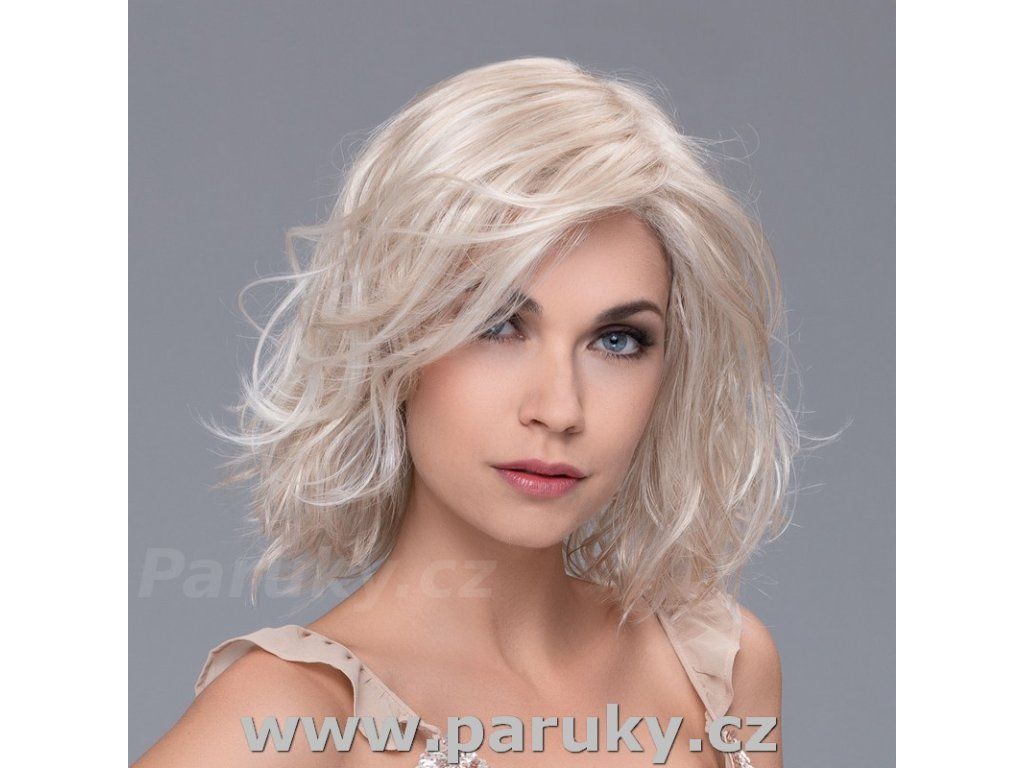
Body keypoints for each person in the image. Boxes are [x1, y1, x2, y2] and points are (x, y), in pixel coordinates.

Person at [135, 56, 803, 768]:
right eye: (497, 325)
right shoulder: (293, 716)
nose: (559, 409)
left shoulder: (718, 672)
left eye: (617, 340)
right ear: (392, 341)